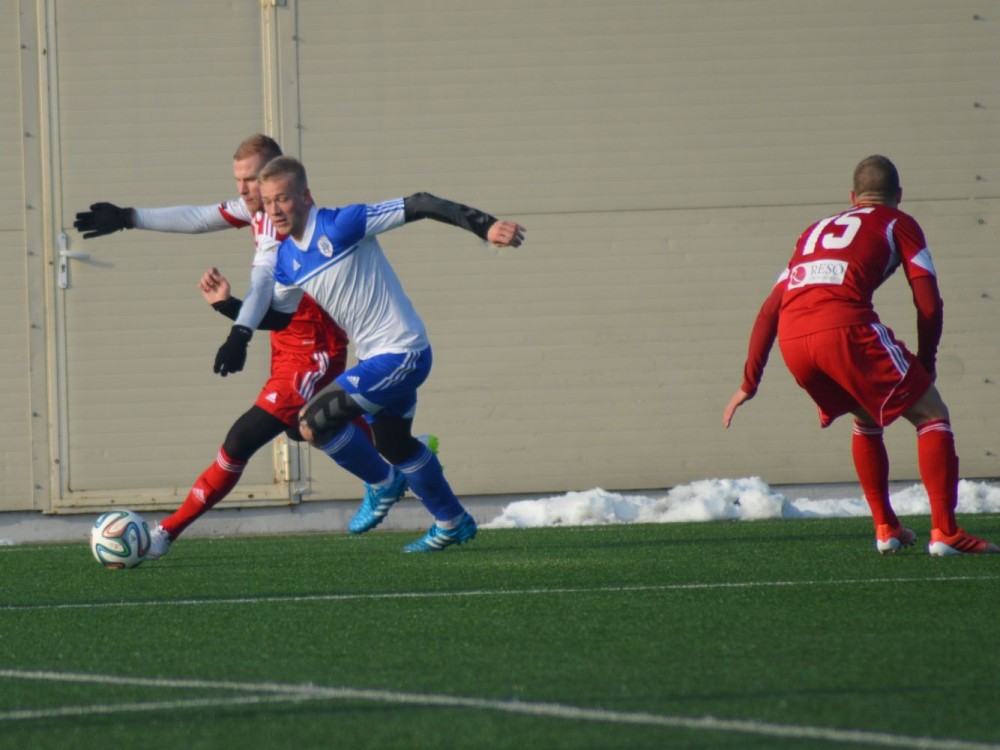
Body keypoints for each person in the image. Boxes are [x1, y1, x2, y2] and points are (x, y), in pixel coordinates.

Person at [72, 135, 405, 560]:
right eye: (239, 180)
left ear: (274, 177)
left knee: (240, 440)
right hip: (286, 344)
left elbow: (263, 285)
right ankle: (399, 446)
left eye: (252, 179)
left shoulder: (282, 224)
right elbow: (198, 217)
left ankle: (164, 535)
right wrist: (127, 216)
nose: (243, 189)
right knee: (299, 428)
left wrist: (238, 330)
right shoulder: (259, 210)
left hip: (312, 350)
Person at [723, 155, 998, 557]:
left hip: (794, 341)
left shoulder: (813, 231)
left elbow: (769, 310)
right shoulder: (898, 223)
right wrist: (927, 362)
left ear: (852, 197)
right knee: (932, 413)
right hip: (844, 329)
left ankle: (886, 527)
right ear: (899, 195)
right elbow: (929, 303)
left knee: (867, 416)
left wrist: (749, 382)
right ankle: (945, 531)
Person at [252, 155, 525, 552]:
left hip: (401, 353)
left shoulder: (341, 224)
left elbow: (421, 202)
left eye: (282, 198)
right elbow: (279, 318)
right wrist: (226, 306)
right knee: (395, 445)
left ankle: (382, 483)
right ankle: (452, 522)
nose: (275, 210)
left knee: (311, 423)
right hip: (375, 359)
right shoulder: (286, 260)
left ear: (306, 196)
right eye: (267, 202)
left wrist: (485, 225)